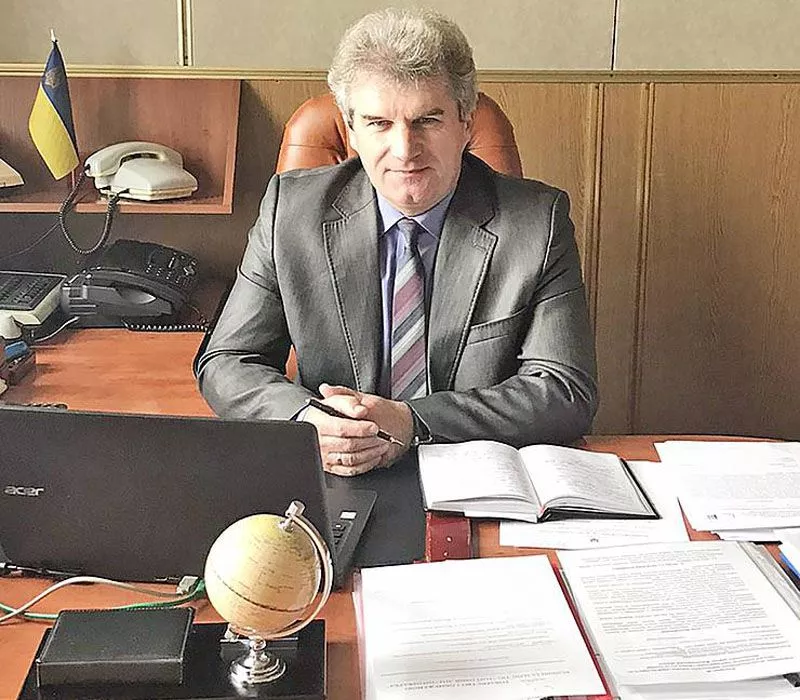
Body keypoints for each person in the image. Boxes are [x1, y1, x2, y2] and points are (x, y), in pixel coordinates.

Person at [196, 7, 597, 477]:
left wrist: (414, 421)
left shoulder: (537, 223)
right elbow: (227, 360)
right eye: (379, 123)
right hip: (335, 468)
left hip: (472, 470)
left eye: (427, 120)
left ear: (466, 123)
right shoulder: (292, 211)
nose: (405, 150)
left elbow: (565, 389)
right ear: (351, 130)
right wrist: (306, 420)